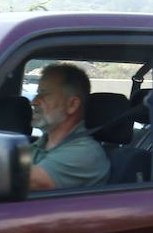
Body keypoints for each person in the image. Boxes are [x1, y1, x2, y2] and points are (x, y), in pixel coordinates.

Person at [27, 62, 109, 190]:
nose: (33, 102)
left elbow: (27, 181)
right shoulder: (39, 145)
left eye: (44, 94)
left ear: (72, 105)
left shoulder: (85, 153)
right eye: (37, 94)